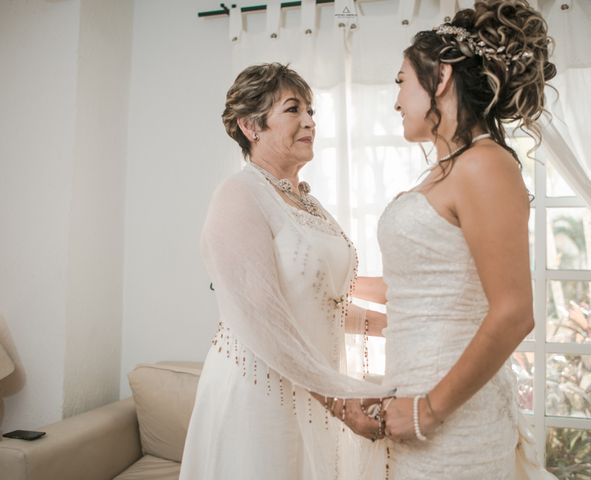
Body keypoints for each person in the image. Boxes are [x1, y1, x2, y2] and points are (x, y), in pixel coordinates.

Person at [336, 1, 558, 478]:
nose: (396, 101)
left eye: (401, 82)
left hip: (455, 425)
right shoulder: (445, 171)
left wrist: (429, 410)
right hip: (408, 409)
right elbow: (418, 292)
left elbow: (514, 313)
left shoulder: (486, 165)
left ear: (440, 78)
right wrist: (331, 287)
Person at [179, 63, 393, 480]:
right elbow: (265, 316)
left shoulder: (310, 206)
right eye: (293, 109)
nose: (310, 121)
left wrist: (402, 323)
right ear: (250, 125)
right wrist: (341, 402)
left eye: (311, 111)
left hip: (312, 394)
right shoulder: (238, 195)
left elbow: (324, 305)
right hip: (258, 396)